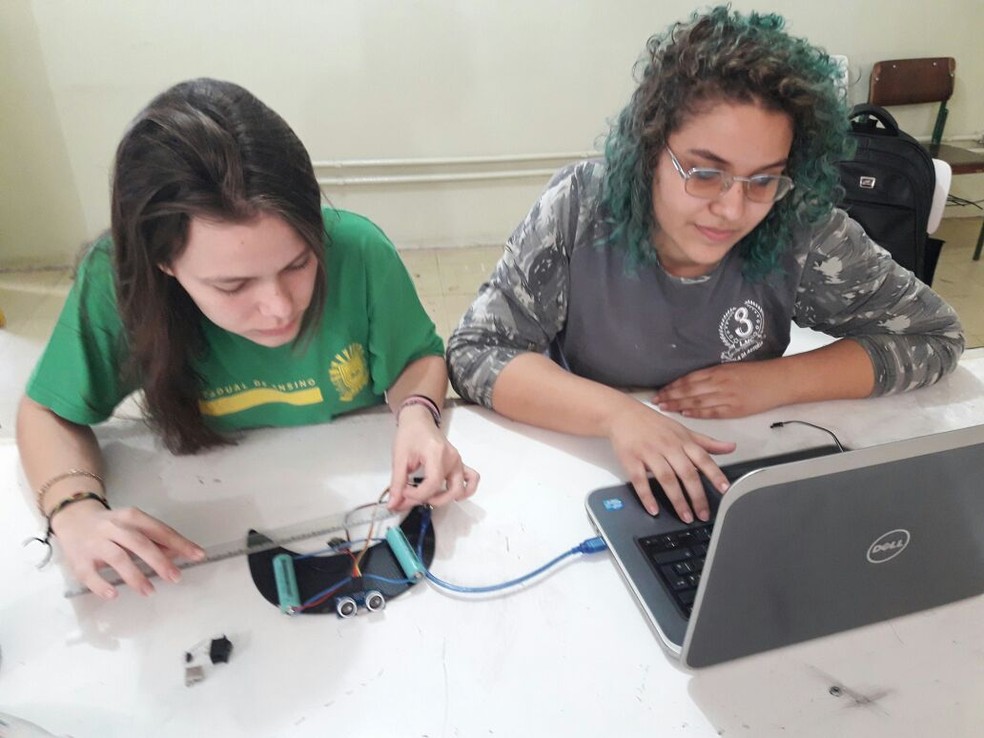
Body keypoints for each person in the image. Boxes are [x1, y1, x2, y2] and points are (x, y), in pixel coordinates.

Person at [447, 7, 963, 525]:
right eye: (705, 172)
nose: (733, 210)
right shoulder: (580, 208)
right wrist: (617, 415)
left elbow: (934, 336)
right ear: (650, 149)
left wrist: (780, 381)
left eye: (763, 179)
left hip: (743, 462)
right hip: (586, 466)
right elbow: (478, 350)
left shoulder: (799, 225)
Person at [17, 78, 479, 600]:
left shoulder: (357, 249)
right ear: (163, 263)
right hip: (208, 514)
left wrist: (418, 416)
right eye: (233, 286)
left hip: (354, 480)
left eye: (299, 263)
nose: (279, 307)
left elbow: (416, 358)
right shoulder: (117, 284)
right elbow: (48, 412)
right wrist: (74, 508)